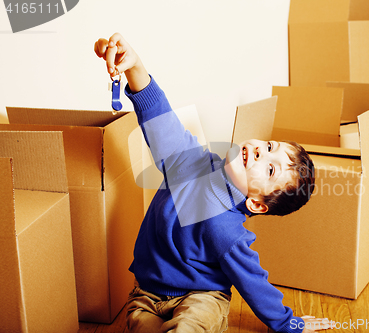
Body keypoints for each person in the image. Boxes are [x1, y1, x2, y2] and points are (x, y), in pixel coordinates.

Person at [94, 33, 332, 333]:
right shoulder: (188, 161)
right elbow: (159, 116)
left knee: (191, 326)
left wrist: (287, 322)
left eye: (270, 169)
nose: (261, 151)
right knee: (141, 326)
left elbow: (253, 281)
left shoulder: (228, 233)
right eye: (270, 146)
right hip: (146, 293)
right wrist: (135, 65)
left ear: (257, 203)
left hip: (202, 296)